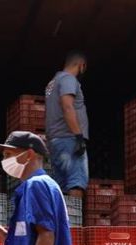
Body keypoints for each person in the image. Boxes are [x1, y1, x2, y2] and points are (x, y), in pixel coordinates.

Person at [44, 51, 90, 201]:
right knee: (76, 184)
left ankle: (63, 223)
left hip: (56, 141)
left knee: (61, 188)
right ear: (81, 65)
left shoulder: (53, 82)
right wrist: (78, 136)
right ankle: (74, 223)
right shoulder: (68, 79)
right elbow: (67, 106)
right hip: (69, 139)